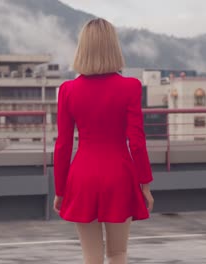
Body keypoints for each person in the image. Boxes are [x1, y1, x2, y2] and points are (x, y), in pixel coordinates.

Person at [53, 18, 154, 264]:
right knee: (118, 253)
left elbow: (63, 145)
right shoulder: (130, 87)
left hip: (82, 176)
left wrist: (60, 189)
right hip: (119, 174)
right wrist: (145, 184)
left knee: (91, 257)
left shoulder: (68, 90)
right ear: (113, 47)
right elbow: (137, 141)